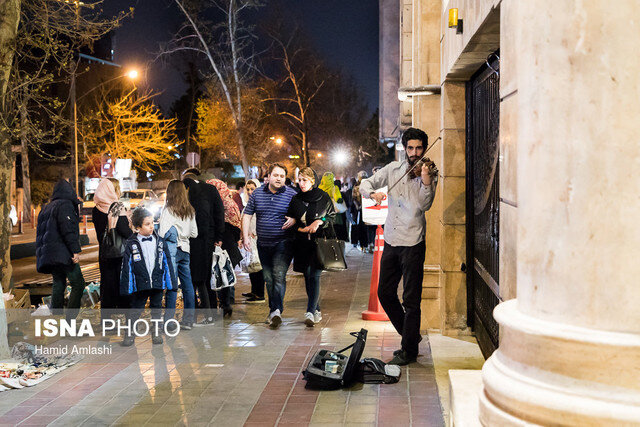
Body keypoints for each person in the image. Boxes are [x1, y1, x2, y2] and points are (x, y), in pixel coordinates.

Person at [359, 127, 438, 365]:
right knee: (384, 292)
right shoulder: (393, 170)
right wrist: (373, 194)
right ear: (405, 148)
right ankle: (410, 337)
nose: (415, 153)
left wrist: (425, 180)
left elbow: (425, 205)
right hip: (392, 240)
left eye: (419, 148)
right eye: (411, 148)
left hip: (414, 243)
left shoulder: (429, 172)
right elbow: (366, 184)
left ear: (424, 149)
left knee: (411, 300)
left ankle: (409, 350)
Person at [242, 163, 297, 328]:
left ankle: (276, 311)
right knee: (268, 278)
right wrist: (245, 237)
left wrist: (294, 219)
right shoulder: (257, 194)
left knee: (278, 275)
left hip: (284, 242)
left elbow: (302, 214)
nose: (279, 178)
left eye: (282, 176)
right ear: (269, 177)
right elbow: (247, 215)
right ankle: (274, 310)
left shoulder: (291, 194)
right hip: (263, 243)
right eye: (276, 175)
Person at [120, 207, 177, 346]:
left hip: (157, 281)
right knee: (136, 309)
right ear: (138, 227)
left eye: (152, 223)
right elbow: (126, 266)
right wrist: (126, 287)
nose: (151, 226)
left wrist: (171, 283)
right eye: (147, 224)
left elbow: (167, 261)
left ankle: (156, 333)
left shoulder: (160, 241)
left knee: (156, 309)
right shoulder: (131, 243)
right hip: (141, 283)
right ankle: (130, 334)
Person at [287, 167, 335, 327]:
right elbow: (289, 220)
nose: (301, 183)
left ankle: (309, 311)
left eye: (304, 180)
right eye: (299, 180)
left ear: (313, 181)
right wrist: (299, 228)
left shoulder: (323, 197)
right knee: (307, 277)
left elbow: (332, 216)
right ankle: (316, 310)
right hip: (301, 245)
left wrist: (319, 221)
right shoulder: (296, 199)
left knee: (314, 275)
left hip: (319, 243)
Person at [35, 176, 86, 318]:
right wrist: (75, 250)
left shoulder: (47, 207)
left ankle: (56, 320)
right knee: (78, 284)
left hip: (51, 254)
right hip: (64, 253)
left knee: (58, 284)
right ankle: (70, 321)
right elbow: (67, 230)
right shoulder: (65, 205)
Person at [182, 170, 224, 325]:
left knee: (195, 278)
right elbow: (220, 212)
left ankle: (194, 315)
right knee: (206, 277)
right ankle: (211, 310)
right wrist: (219, 236)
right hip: (209, 239)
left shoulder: (187, 190)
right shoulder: (210, 189)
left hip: (193, 239)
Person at [158, 180, 198, 330]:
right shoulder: (190, 210)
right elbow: (195, 233)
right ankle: (188, 321)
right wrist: (183, 233)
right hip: (185, 250)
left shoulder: (168, 210)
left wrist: (174, 230)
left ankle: (169, 322)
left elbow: (162, 233)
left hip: (172, 252)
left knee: (172, 287)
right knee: (188, 286)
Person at [92, 178, 132, 318]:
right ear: (113, 190)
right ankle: (125, 317)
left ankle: (106, 320)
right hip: (119, 252)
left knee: (107, 284)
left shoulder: (96, 209)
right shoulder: (116, 207)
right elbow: (124, 230)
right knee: (122, 282)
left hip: (105, 251)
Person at [206, 177, 243, 318]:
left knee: (220, 274)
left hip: (222, 244)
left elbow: (231, 226)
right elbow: (236, 225)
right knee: (224, 274)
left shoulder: (219, 204)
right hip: (228, 244)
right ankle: (226, 303)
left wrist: (220, 237)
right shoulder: (229, 202)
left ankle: (225, 303)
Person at [240, 179, 265, 303]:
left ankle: (260, 294)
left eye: (252, 189)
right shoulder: (248, 204)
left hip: (256, 238)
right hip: (249, 239)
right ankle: (254, 291)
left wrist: (254, 234)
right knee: (251, 265)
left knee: (258, 267)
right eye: (248, 189)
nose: (250, 192)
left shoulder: (260, 203)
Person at [319, 173, 348, 241]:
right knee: (336, 230)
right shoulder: (335, 188)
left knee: (324, 229)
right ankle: (335, 244)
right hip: (334, 213)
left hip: (322, 214)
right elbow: (338, 199)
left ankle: (324, 244)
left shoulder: (320, 188)